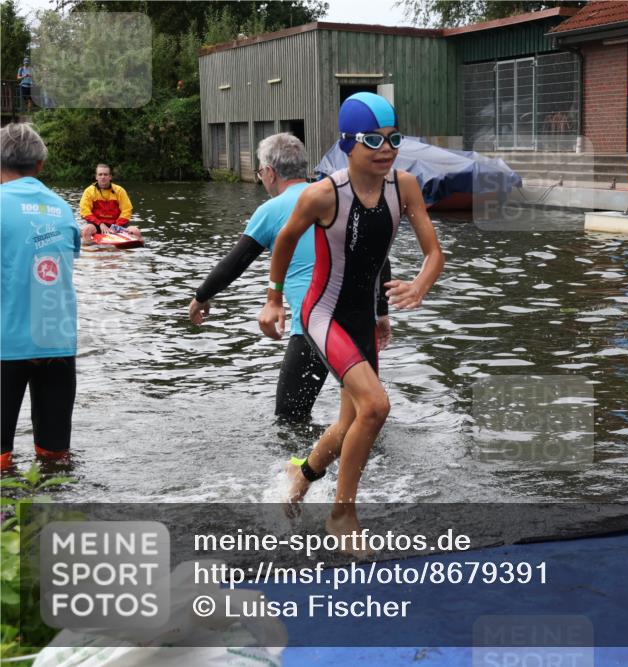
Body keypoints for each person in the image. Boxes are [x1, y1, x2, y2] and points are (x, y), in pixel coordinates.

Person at [258, 93, 444, 549]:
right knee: (377, 407)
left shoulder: (405, 187)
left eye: (393, 139)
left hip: (362, 319)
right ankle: (342, 512)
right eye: (373, 140)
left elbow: (433, 254)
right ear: (347, 144)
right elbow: (283, 243)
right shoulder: (324, 195)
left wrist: (417, 287)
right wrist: (273, 300)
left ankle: (301, 475)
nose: (386, 149)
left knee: (351, 422)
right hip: (322, 314)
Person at [188, 132, 393, 421]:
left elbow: (235, 263)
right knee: (366, 414)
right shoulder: (337, 197)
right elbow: (378, 256)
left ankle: (304, 466)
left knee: (290, 417)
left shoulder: (272, 210)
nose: (261, 179)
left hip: (315, 327)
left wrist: (200, 297)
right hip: (360, 324)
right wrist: (381, 312)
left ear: (270, 173)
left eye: (260, 172)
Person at [1, 123, 80, 471]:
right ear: (41, 166)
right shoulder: (63, 208)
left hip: (7, 344)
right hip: (57, 344)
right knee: (55, 461)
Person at [79, 164, 142, 243]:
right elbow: (85, 212)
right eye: (100, 174)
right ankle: (90, 252)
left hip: (117, 225)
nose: (103, 177)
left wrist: (116, 226)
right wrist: (100, 224)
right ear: (96, 177)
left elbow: (127, 211)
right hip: (97, 225)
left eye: (105, 174)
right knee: (86, 231)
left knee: (136, 231)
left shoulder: (119, 191)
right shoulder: (89, 191)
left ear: (110, 177)